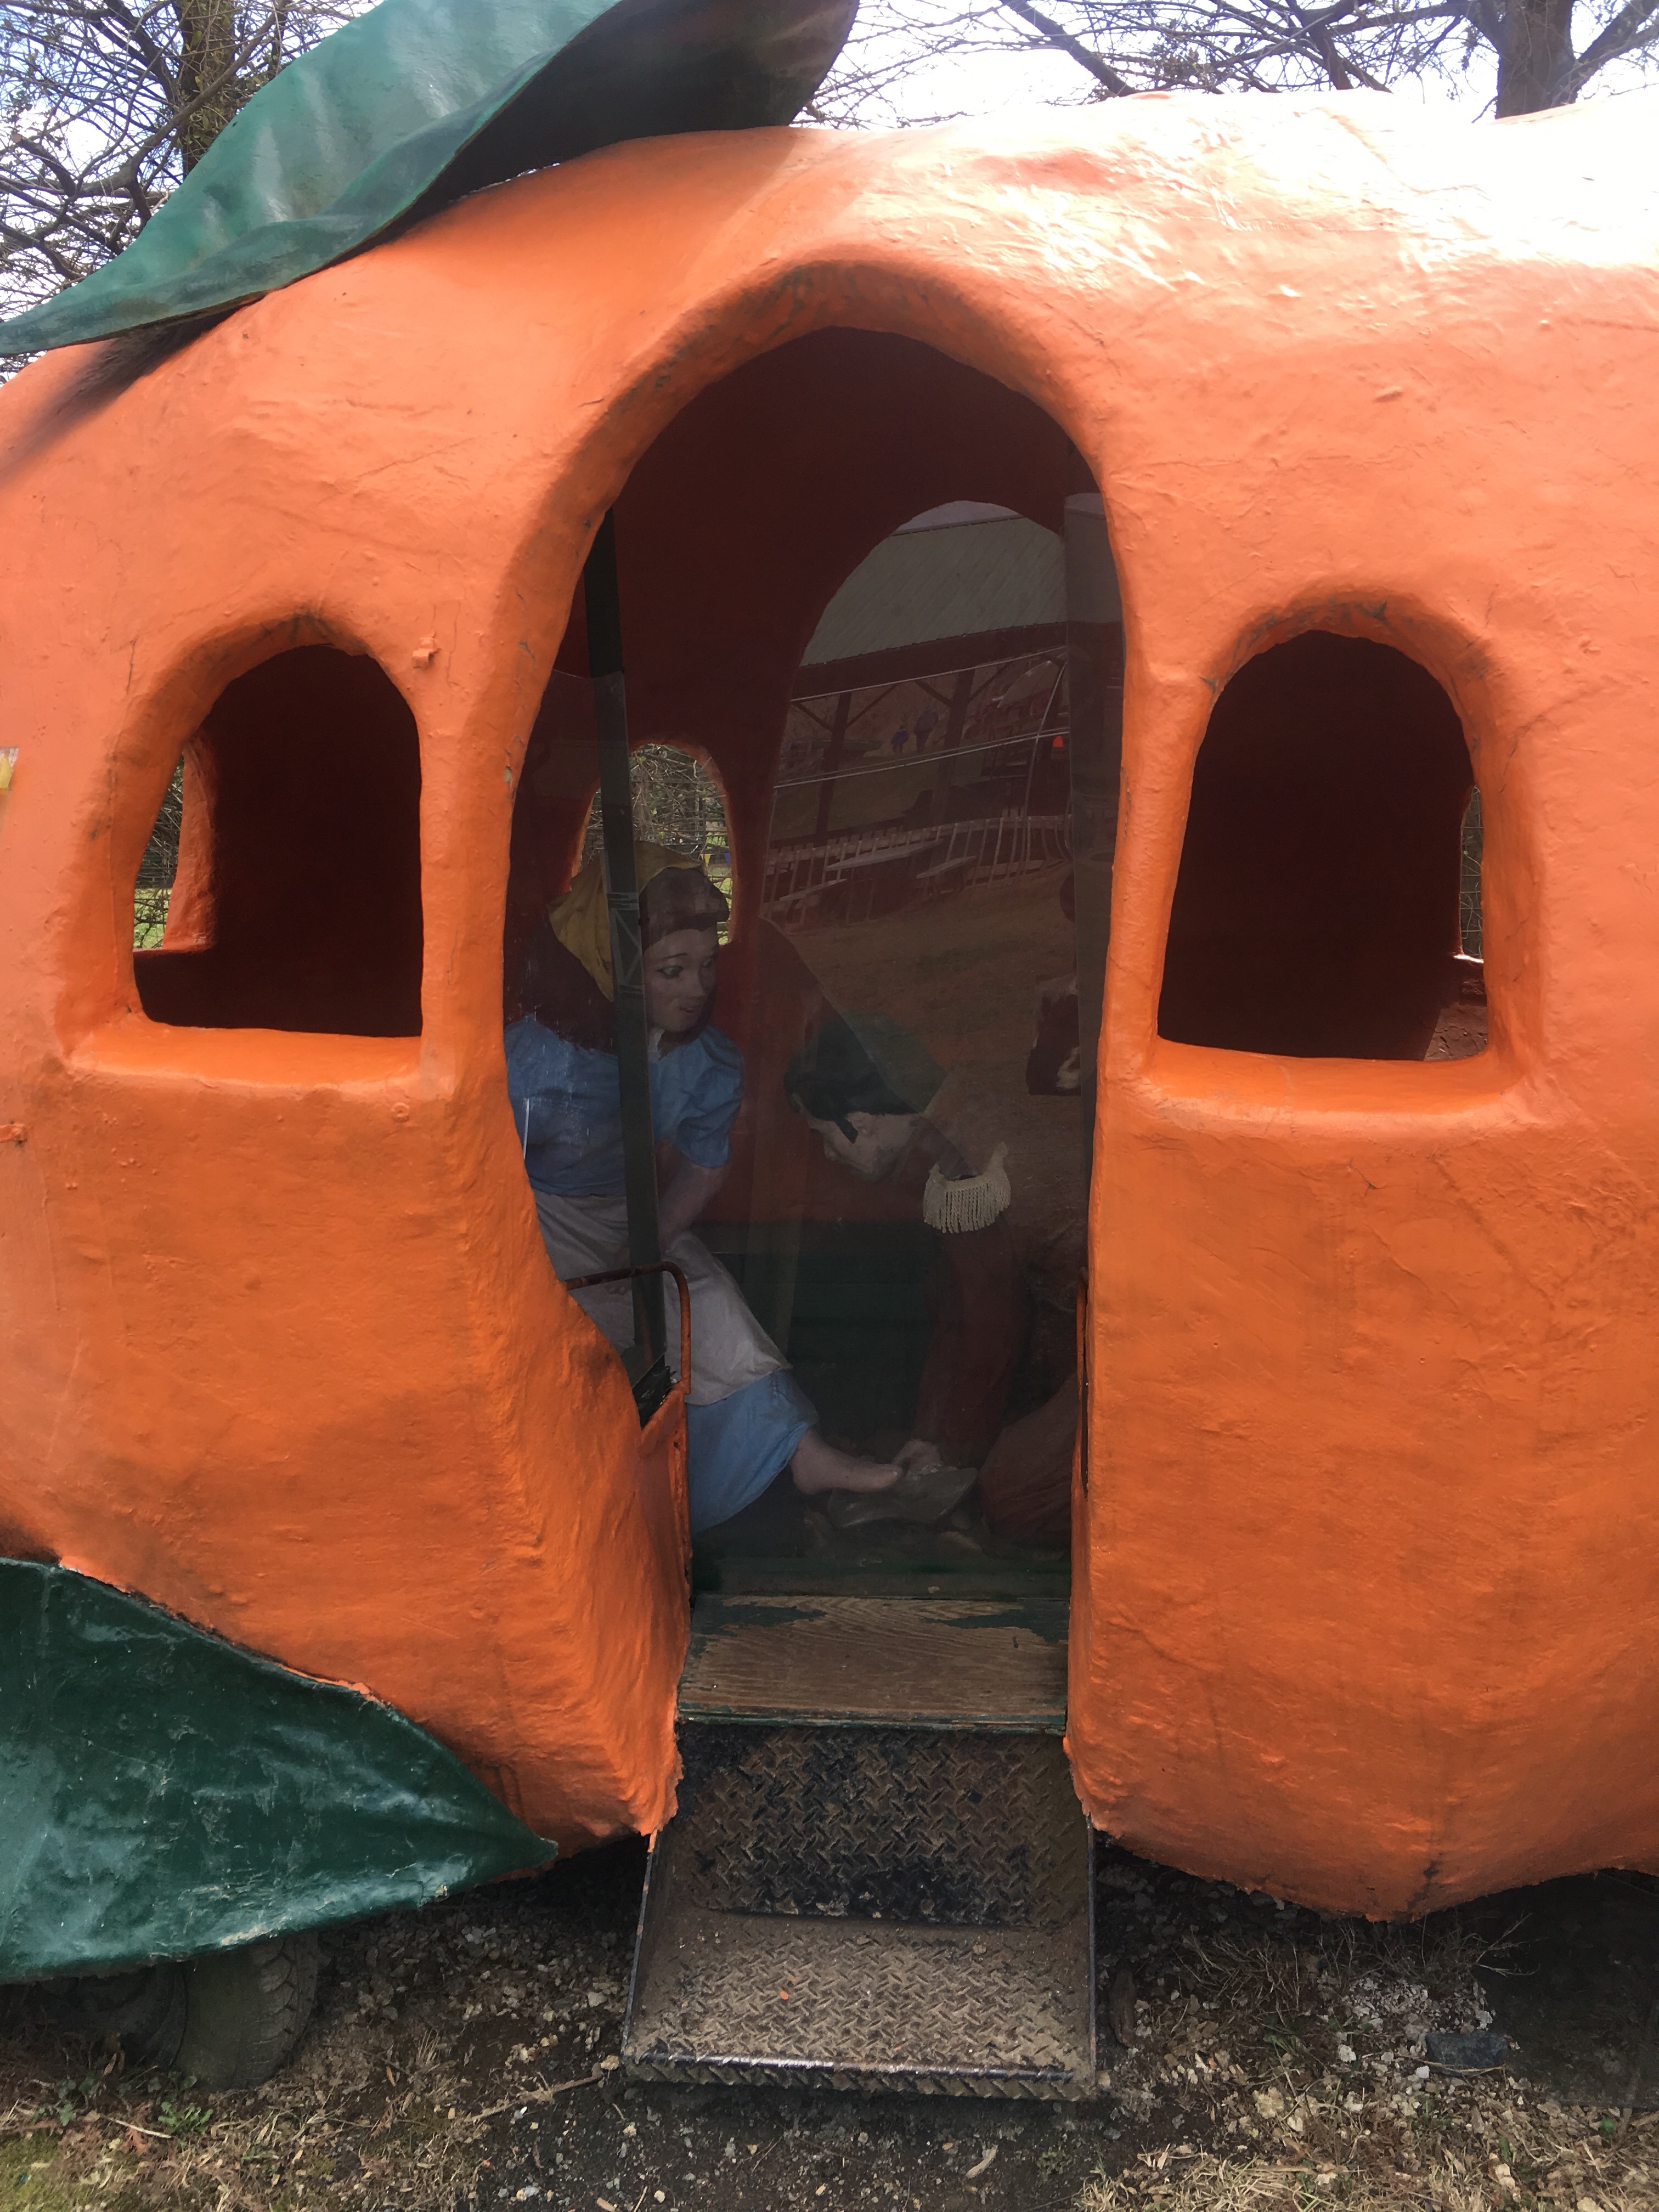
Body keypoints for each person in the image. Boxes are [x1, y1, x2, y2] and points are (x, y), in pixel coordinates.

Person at [506, 844, 898, 1533]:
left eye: (706, 966)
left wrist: (650, 1240)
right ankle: (605, 1496)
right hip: (538, 1218)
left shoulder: (706, 1063)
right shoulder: (536, 1059)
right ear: (614, 966)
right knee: (583, 1336)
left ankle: (800, 1453)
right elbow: (488, 1165)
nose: (695, 987)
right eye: (671, 970)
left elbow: (705, 1165)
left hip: (631, 1216)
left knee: (707, 1297)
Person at [783, 1012, 1075, 1549]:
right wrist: (931, 1436)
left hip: (1123, 1346)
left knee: (1015, 1496)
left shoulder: (963, 1166)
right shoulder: (950, 1132)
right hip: (1067, 1340)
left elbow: (993, 1328)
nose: (828, 1154)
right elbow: (956, 1310)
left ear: (861, 1121)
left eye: (825, 1137)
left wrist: (955, 1449)